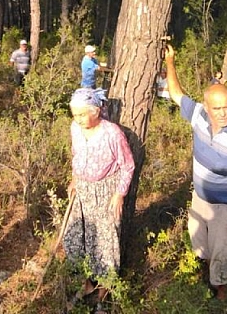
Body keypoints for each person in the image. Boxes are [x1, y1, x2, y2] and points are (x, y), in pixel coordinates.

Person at [163, 44, 227, 301]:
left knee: (224, 251)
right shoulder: (198, 116)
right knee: (201, 246)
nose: (223, 113)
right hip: (201, 199)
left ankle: (222, 295)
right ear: (206, 107)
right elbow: (175, 93)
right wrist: (170, 62)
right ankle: (207, 278)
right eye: (217, 108)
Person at [64, 87, 135, 313]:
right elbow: (76, 155)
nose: (80, 119)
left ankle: (103, 294)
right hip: (83, 191)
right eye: (75, 114)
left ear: (96, 110)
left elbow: (128, 165)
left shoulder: (112, 133)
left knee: (105, 242)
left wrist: (119, 194)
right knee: (78, 237)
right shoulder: (75, 128)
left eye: (84, 114)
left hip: (106, 192)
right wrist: (75, 180)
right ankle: (86, 285)